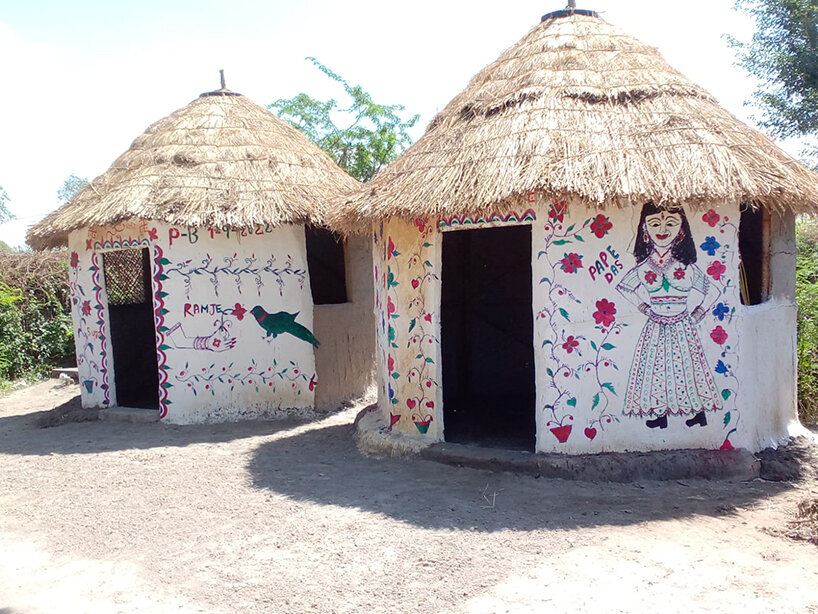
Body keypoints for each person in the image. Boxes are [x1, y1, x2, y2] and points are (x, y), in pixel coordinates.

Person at [616, 202, 722, 429]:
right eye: (654, 223)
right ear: (644, 229)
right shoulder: (644, 268)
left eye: (671, 223)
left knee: (687, 369)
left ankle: (698, 413)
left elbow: (713, 290)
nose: (662, 229)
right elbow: (624, 287)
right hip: (656, 324)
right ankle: (660, 415)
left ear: (681, 229)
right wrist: (643, 307)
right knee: (656, 370)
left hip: (682, 324)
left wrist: (698, 313)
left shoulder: (686, 267)